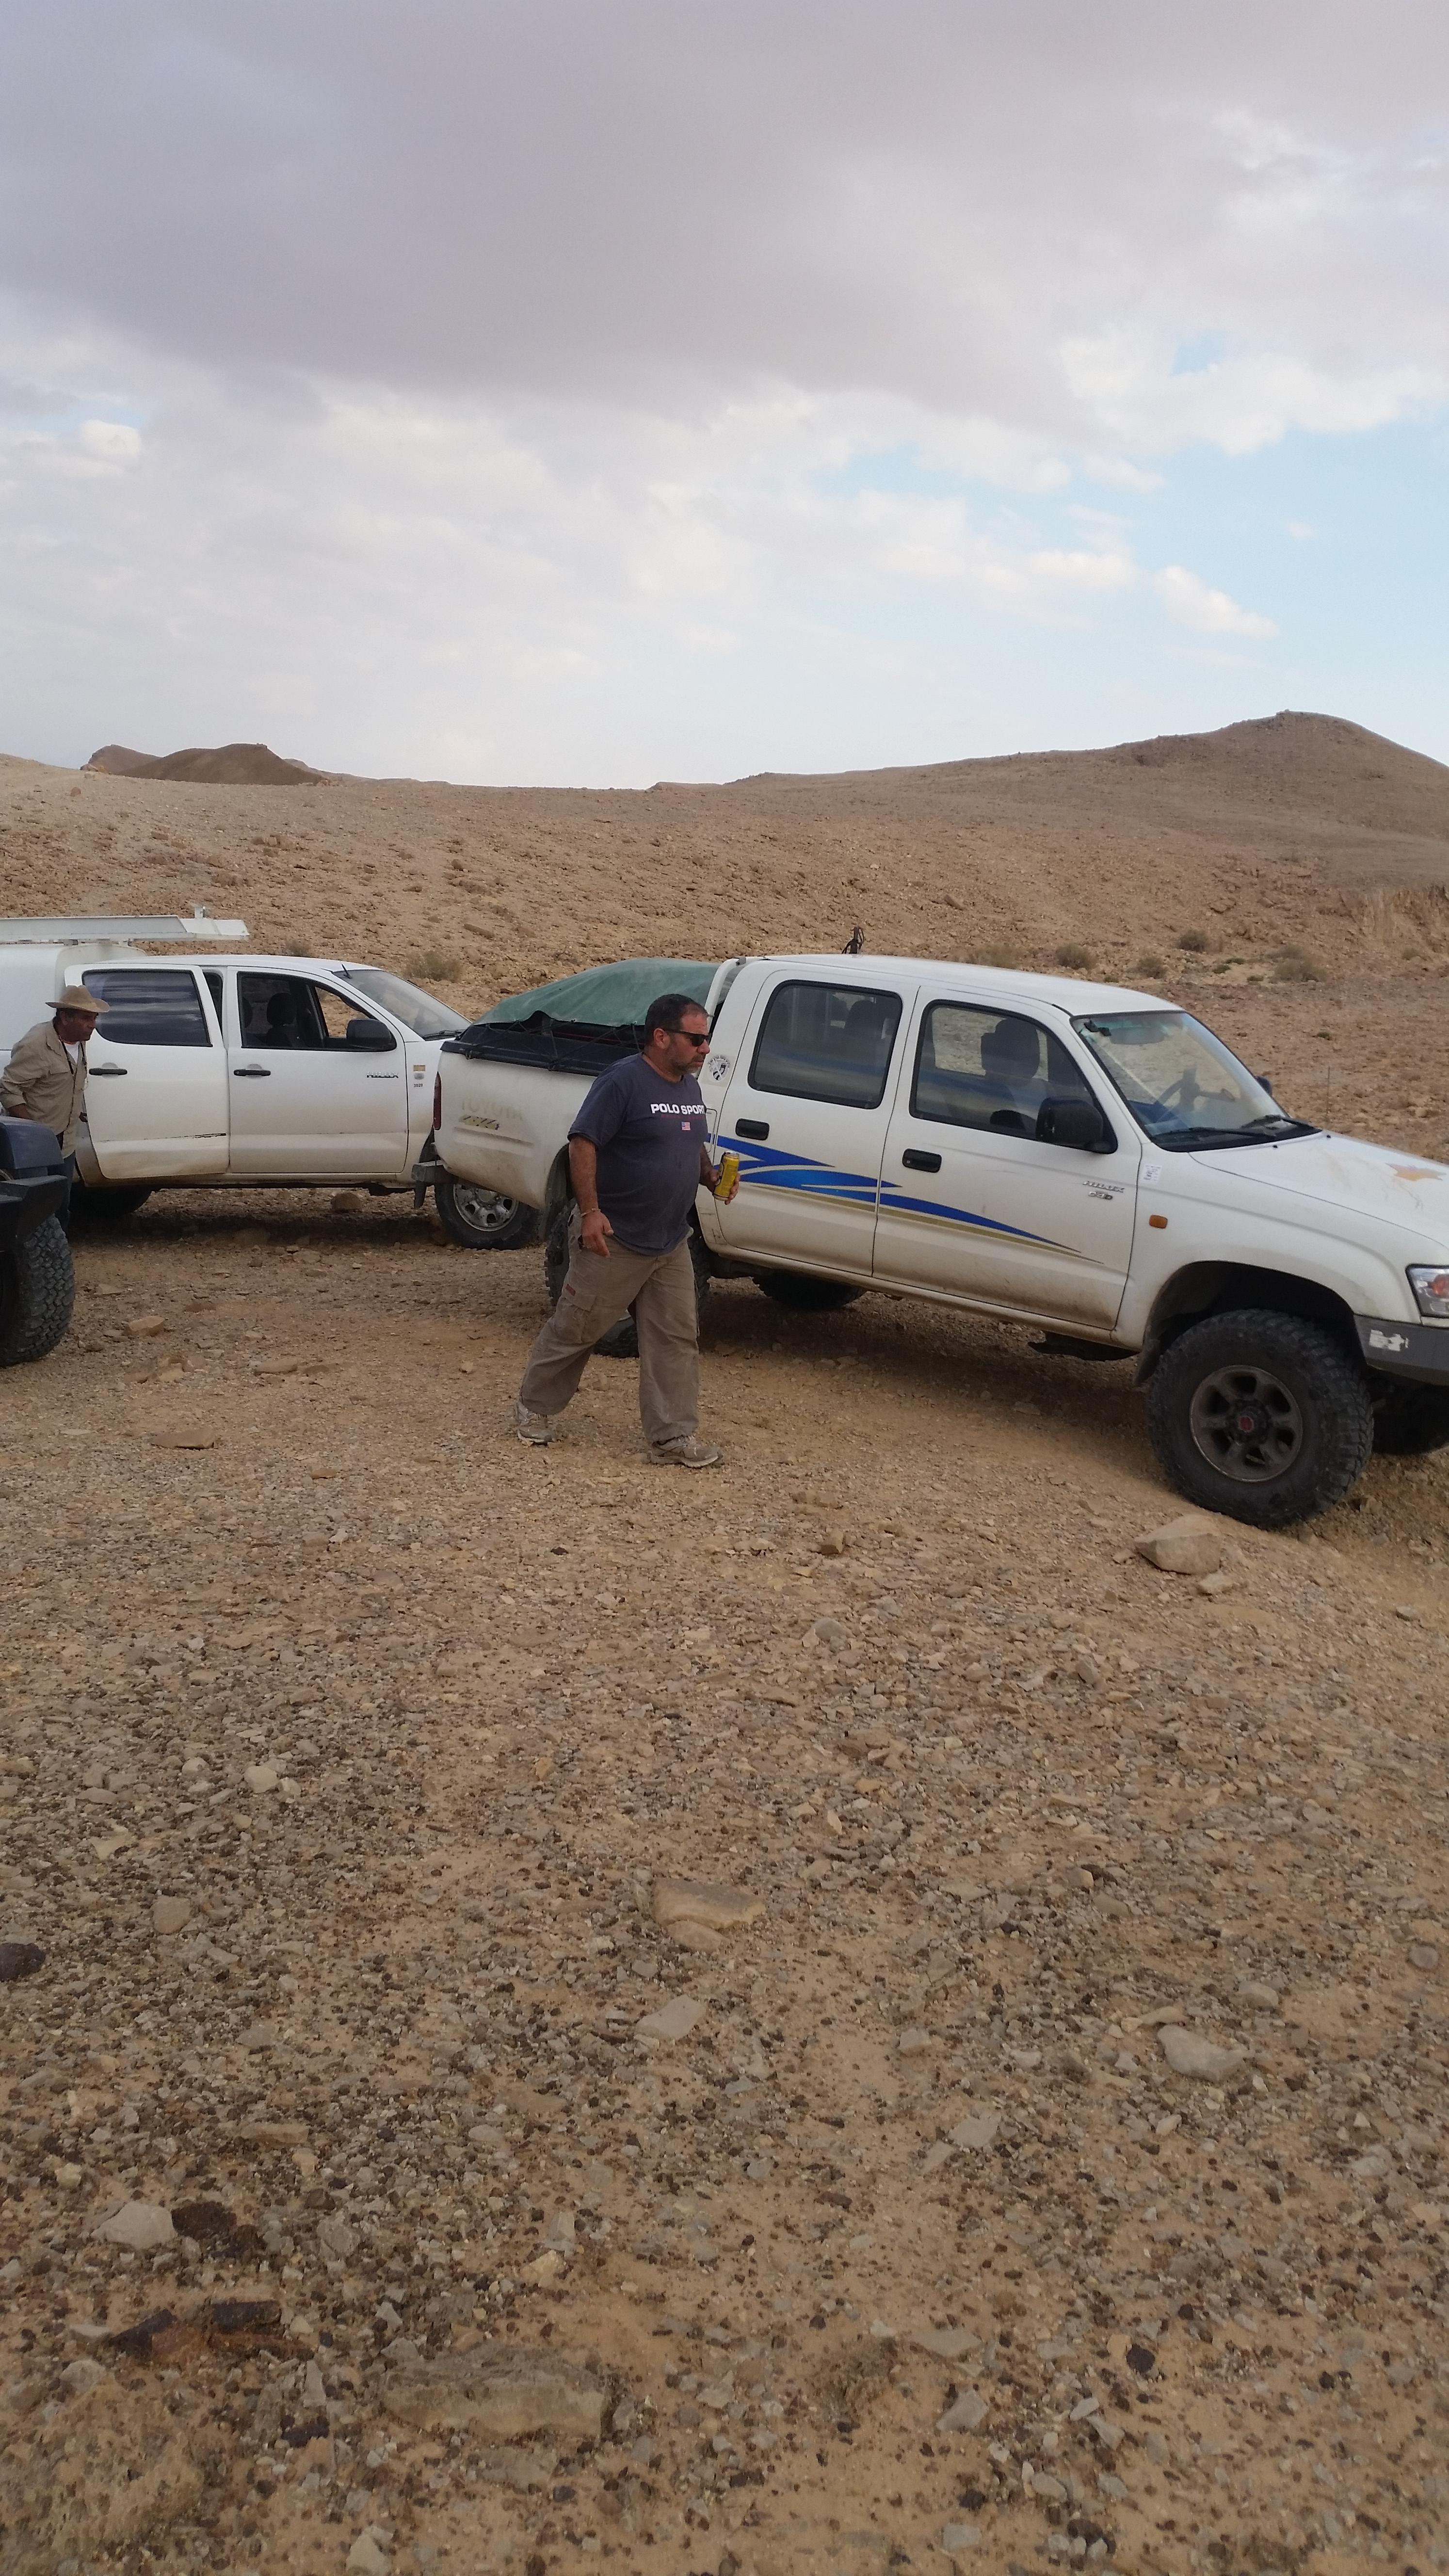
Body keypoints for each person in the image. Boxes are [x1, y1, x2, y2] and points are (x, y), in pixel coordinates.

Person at [514, 992, 737, 1466]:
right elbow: (583, 1143)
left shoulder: (689, 1089)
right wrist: (591, 1212)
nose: (705, 1048)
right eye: (696, 1039)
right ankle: (534, 1406)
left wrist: (710, 1175)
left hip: (670, 1241)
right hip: (615, 1238)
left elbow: (690, 1139)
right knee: (579, 1327)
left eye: (707, 1039)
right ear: (661, 1037)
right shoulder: (623, 1081)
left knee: (675, 1339)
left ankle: (672, 1438)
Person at [0, 984, 109, 1215]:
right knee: (36, 1211)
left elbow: (64, 1081)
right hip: (34, 1146)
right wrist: (33, 1130)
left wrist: (73, 1110)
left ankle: (59, 1240)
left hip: (65, 1141)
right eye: (86, 1018)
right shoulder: (37, 1044)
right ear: (65, 1018)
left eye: (95, 1018)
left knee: (61, 1205)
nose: (93, 1024)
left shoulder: (79, 1040)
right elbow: (9, 1088)